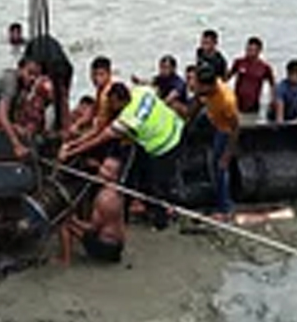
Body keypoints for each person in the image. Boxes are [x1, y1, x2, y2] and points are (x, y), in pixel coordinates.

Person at [61, 82, 184, 231]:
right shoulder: (141, 91)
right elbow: (154, 88)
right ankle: (141, 210)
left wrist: (71, 151)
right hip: (176, 127)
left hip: (164, 145)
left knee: (155, 184)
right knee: (143, 178)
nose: (111, 107)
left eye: (112, 103)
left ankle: (160, 221)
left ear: (120, 101)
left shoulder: (127, 120)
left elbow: (99, 139)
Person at [184, 65, 239, 217]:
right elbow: (197, 100)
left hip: (224, 128)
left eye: (200, 86)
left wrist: (227, 156)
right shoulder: (203, 87)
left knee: (220, 166)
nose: (196, 87)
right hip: (211, 115)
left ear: (209, 85)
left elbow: (235, 128)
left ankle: (226, 208)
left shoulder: (227, 101)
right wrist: (187, 120)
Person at [59, 155, 126, 265]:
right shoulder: (117, 190)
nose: (101, 171)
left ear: (115, 176)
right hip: (117, 245)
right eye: (103, 166)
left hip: (105, 248)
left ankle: (65, 260)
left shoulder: (104, 198)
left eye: (107, 169)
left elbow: (92, 229)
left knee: (64, 224)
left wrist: (73, 219)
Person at [23, 33, 74, 134]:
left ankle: (61, 126)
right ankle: (62, 126)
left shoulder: (44, 76)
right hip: (62, 67)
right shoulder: (37, 53)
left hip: (57, 67)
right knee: (60, 99)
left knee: (59, 99)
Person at [227, 36, 275, 117]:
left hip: (253, 103)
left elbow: (272, 85)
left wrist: (272, 100)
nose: (249, 52)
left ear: (259, 51)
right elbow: (226, 78)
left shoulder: (264, 67)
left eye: (253, 50)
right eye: (248, 49)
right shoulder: (239, 62)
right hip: (237, 102)